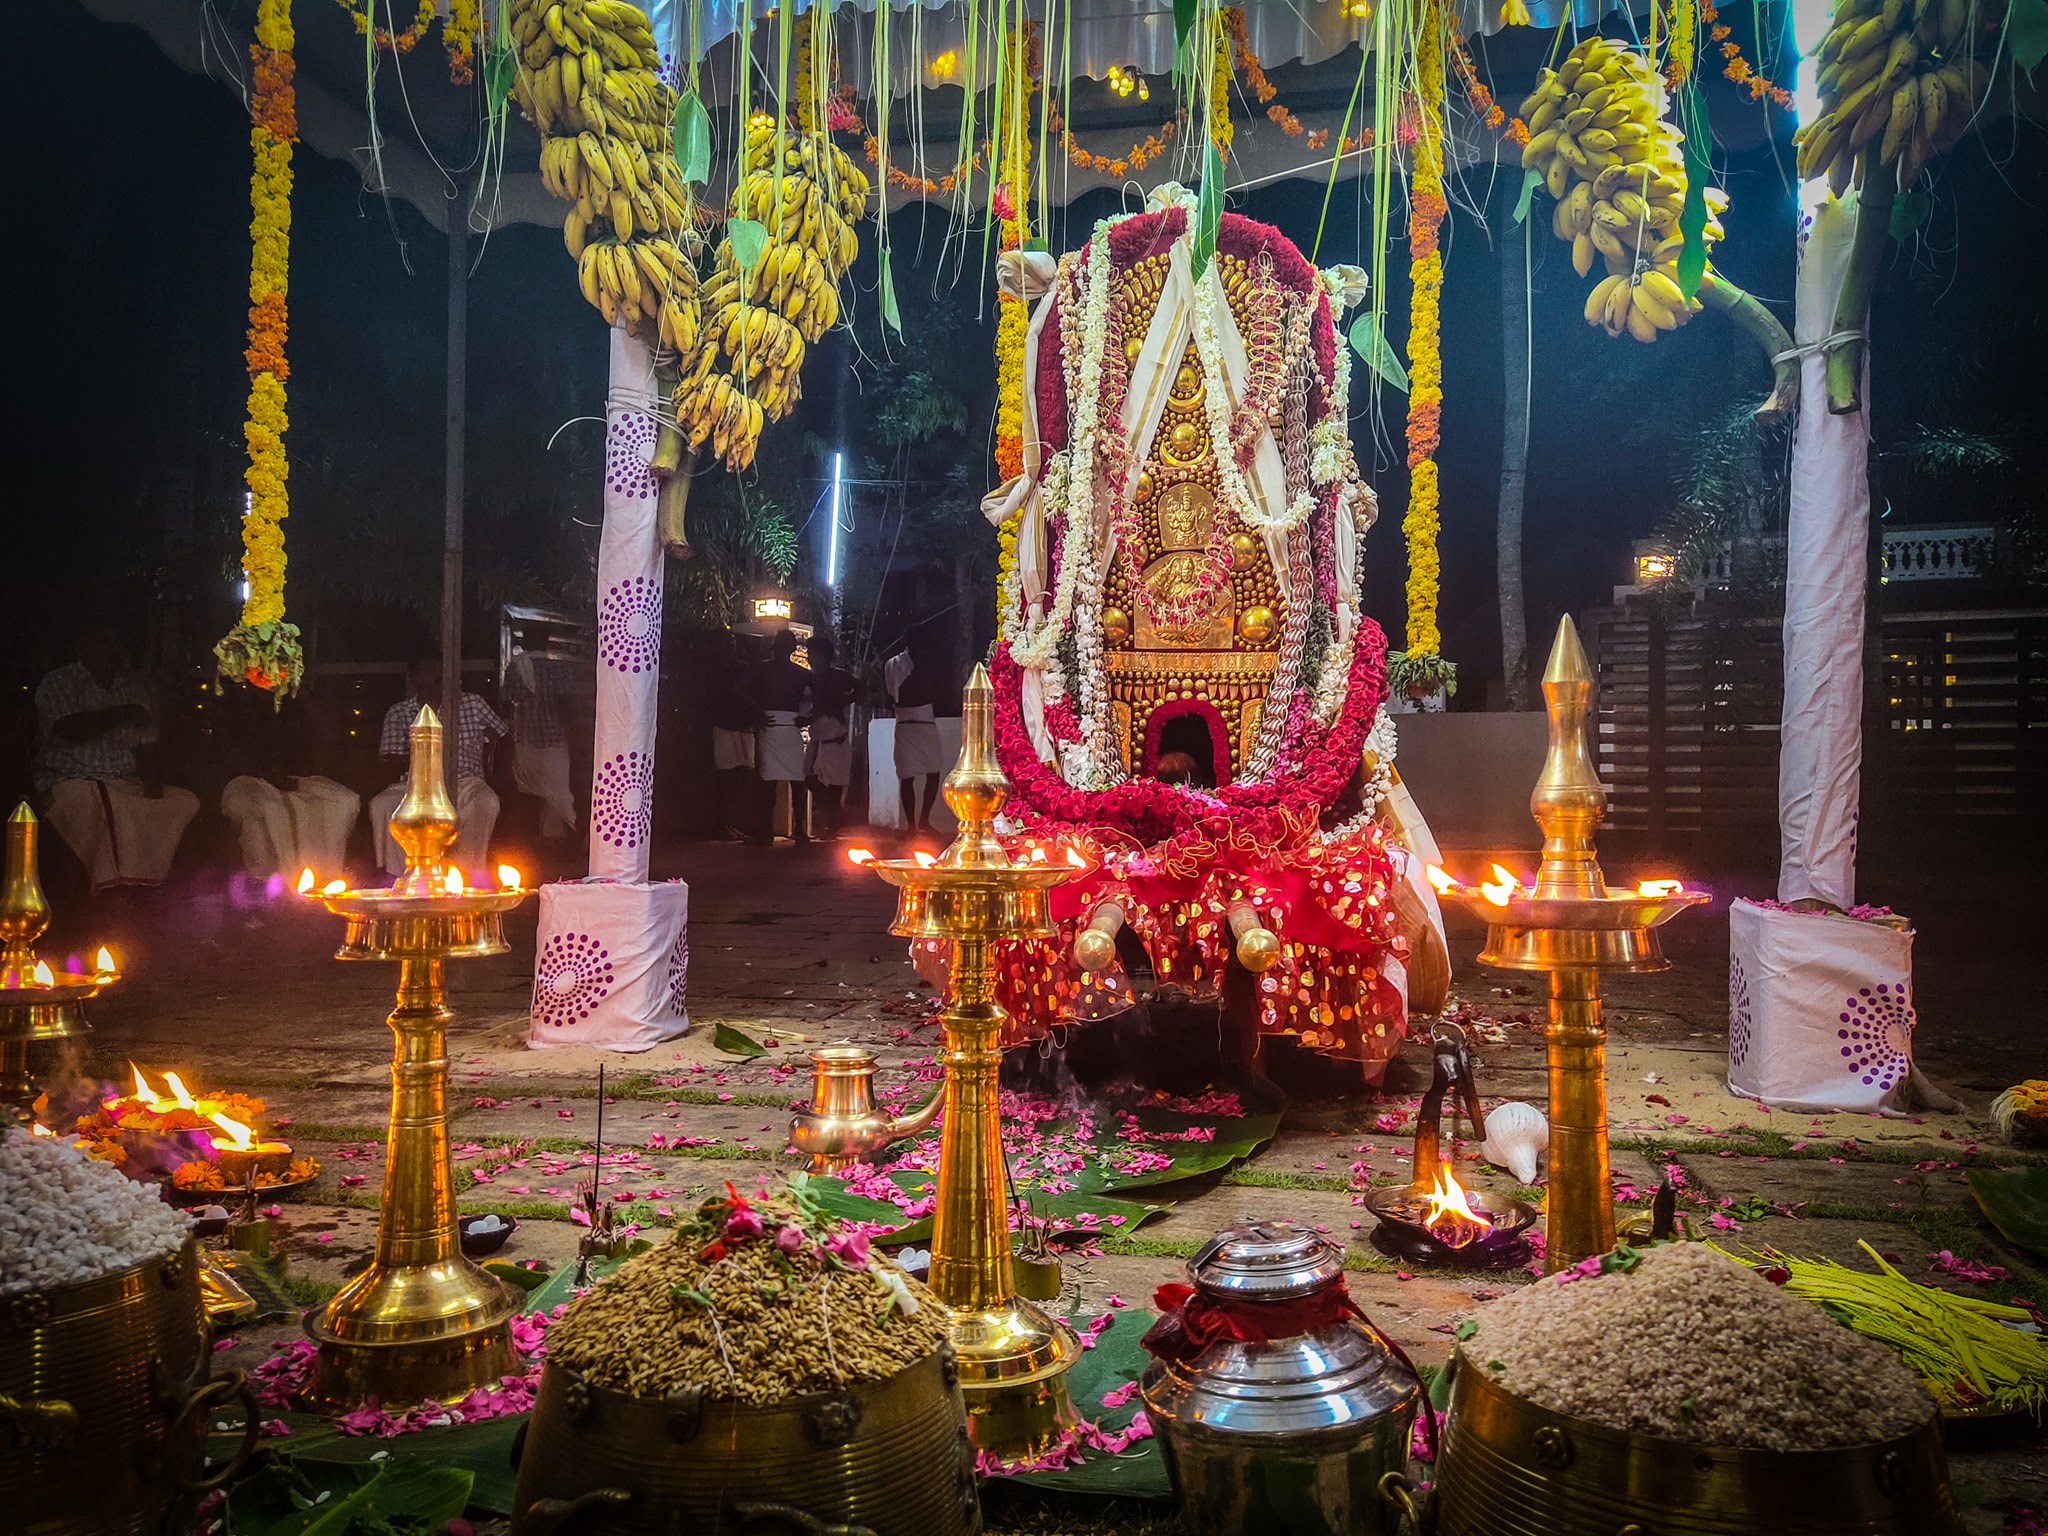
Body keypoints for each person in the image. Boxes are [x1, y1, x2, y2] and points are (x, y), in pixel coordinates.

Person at [34, 626, 200, 891]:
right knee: (106, 806)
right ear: (82, 645)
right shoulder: (59, 682)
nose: (111, 650)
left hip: (126, 780)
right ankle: (110, 888)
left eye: (116, 643)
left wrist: (152, 780)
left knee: (183, 801)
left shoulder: (132, 689)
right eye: (103, 642)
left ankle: (146, 881)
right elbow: (69, 728)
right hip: (72, 778)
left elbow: (148, 744)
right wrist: (120, 713)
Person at [368, 655, 506, 876]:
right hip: (414, 787)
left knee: (486, 802)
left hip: (465, 781)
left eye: (443, 673)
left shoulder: (472, 703)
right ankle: (402, 877)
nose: (440, 678)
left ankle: (465, 876)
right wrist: (423, 758)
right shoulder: (399, 712)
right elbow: (389, 758)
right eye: (431, 672)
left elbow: (503, 735)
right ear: (416, 678)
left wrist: (488, 746)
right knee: (382, 805)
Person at [218, 693, 362, 882]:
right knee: (271, 808)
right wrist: (269, 777)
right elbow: (233, 755)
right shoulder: (240, 702)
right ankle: (276, 881)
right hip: (249, 778)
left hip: (298, 779)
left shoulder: (298, 701)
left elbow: (329, 734)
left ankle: (324, 877)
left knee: (342, 800)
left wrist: (303, 694)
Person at [504, 651, 577, 843]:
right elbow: (567, 702)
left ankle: (547, 835)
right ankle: (554, 836)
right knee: (557, 790)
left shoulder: (515, 668)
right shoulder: (556, 669)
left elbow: (508, 700)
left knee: (536, 790)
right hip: (553, 738)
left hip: (527, 738)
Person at [754, 629, 813, 843]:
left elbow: (739, 689)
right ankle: (793, 831)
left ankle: (782, 831)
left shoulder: (764, 670)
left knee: (787, 781)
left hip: (780, 725)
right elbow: (739, 689)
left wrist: (758, 711)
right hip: (781, 725)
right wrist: (758, 712)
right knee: (782, 781)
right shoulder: (800, 673)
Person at [803, 631, 857, 842]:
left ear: (823, 656)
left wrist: (842, 701)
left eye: (812, 653)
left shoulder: (839, 676)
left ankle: (832, 826)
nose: (809, 657)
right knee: (810, 779)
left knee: (834, 785)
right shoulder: (809, 678)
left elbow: (861, 688)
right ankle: (838, 816)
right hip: (818, 739)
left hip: (836, 738)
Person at [887, 640, 945, 836]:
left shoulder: (924, 664)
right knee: (906, 775)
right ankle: (912, 824)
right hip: (906, 721)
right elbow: (894, 693)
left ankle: (923, 820)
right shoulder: (896, 664)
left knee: (933, 770)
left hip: (923, 720)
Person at [708, 632, 761, 841]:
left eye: (732, 642)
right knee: (725, 777)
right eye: (725, 642)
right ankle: (723, 823)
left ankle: (734, 822)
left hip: (742, 727)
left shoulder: (743, 668)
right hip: (724, 725)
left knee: (742, 775)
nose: (729, 646)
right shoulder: (714, 670)